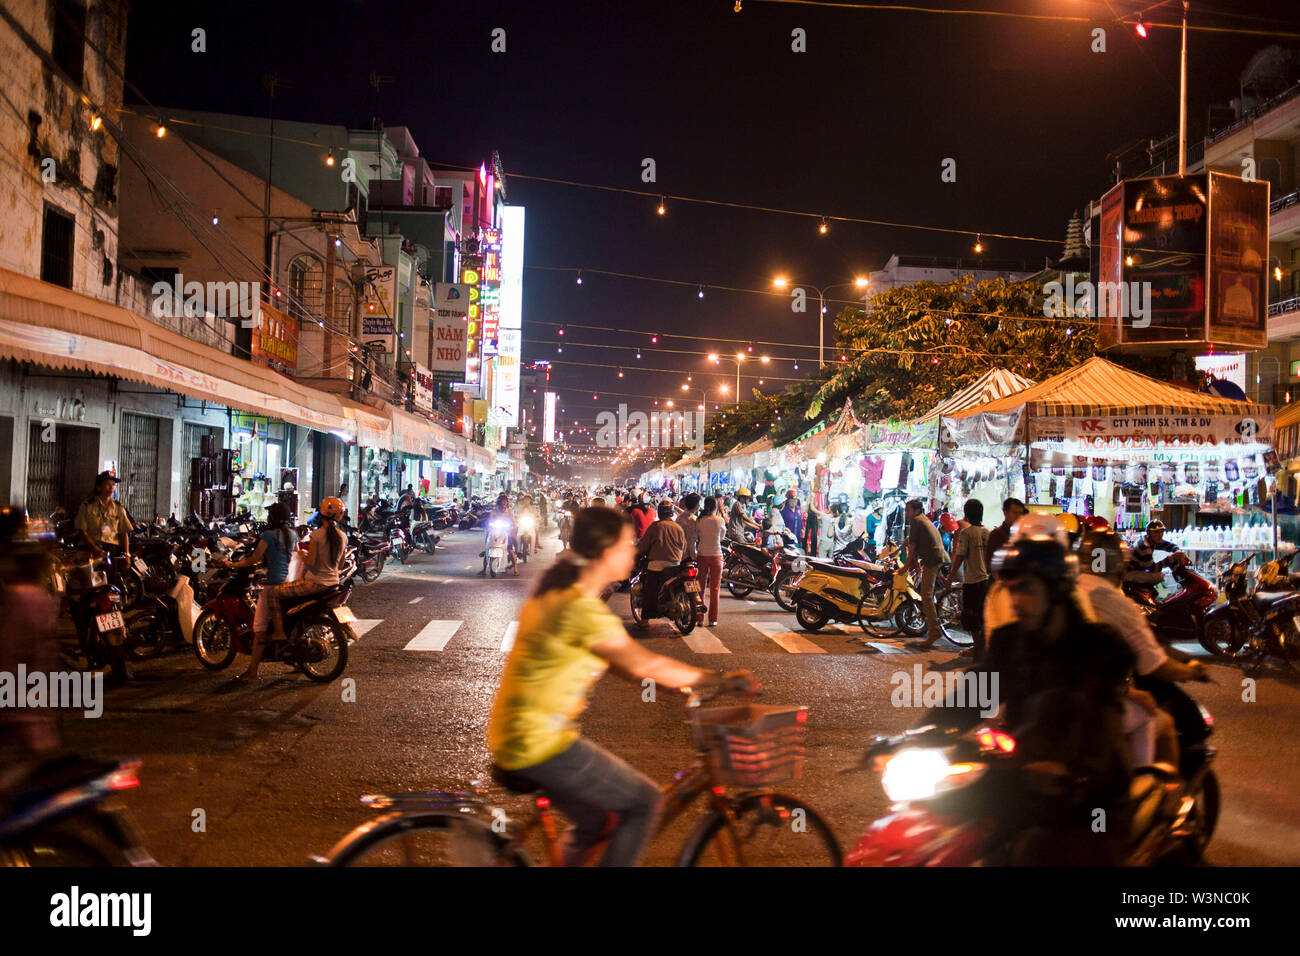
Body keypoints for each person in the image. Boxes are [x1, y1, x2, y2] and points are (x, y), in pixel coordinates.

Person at [487, 506, 756, 866]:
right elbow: (640, 665)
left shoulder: (559, 586)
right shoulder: (580, 608)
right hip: (539, 743)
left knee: (600, 821)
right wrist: (716, 679)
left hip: (519, 734)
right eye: (627, 543)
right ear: (606, 550)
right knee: (645, 803)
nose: (633, 550)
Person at [964, 527, 1136, 865]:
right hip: (1019, 781)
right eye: (1011, 589)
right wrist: (919, 735)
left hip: (1090, 796)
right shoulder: (1009, 641)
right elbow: (971, 696)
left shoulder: (1098, 646)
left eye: (1026, 589)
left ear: (1056, 591)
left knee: (1036, 852)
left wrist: (1075, 769)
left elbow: (1100, 720)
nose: (1015, 601)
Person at [1075, 527, 1209, 767]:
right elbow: (1156, 665)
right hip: (1097, 703)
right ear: (1118, 565)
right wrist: (1194, 672)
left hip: (1064, 699)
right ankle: (1152, 787)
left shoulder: (1066, 592)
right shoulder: (1117, 604)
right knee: (1159, 721)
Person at [226, 502, 298, 681]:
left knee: (259, 626)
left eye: (269, 515)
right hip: (290, 583)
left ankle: (252, 671)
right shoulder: (293, 535)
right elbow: (295, 556)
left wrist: (232, 564)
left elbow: (254, 558)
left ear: (273, 517)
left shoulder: (268, 536)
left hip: (273, 584)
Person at [262, 497, 348, 645]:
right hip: (333, 583)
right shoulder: (343, 537)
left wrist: (302, 554)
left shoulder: (316, 535)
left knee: (273, 593)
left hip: (314, 583)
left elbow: (311, 562)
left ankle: (279, 632)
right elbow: (340, 566)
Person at [947, 498, 991, 662]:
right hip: (985, 580)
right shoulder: (987, 532)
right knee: (982, 616)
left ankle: (977, 650)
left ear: (967, 514)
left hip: (972, 580)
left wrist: (950, 577)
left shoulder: (966, 533)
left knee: (971, 617)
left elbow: (959, 557)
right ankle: (979, 649)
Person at [633, 501, 688, 625]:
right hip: (675, 565)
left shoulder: (655, 526)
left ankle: (645, 620)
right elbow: (684, 548)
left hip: (657, 565)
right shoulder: (678, 527)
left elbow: (642, 547)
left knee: (649, 591)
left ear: (659, 512)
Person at [904, 498, 948, 649]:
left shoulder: (916, 521)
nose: (906, 513)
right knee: (927, 592)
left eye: (908, 510)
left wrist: (905, 566)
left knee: (926, 595)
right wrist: (898, 549)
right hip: (936, 557)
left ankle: (934, 631)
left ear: (916, 510)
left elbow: (913, 545)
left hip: (931, 559)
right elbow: (910, 540)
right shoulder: (922, 519)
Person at [74, 471, 133, 560]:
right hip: (90, 551)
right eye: (107, 484)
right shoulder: (87, 505)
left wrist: (127, 555)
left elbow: (123, 533)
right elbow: (82, 531)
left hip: (111, 551)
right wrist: (96, 549)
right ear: (98, 487)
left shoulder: (118, 507)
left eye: (113, 485)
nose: (111, 488)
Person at [696, 497, 726, 627]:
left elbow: (698, 535)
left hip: (702, 554)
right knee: (715, 589)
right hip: (716, 556)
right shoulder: (720, 520)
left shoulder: (699, 520)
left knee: (700, 588)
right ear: (715, 507)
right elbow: (722, 537)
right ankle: (713, 619)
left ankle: (699, 618)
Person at [480, 493, 518, 576]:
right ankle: (484, 569)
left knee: (510, 547)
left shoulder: (510, 512)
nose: (503, 504)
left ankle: (515, 567)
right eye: (502, 502)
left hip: (506, 532)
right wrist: (489, 525)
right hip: (495, 531)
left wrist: (513, 526)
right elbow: (490, 521)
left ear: (507, 503)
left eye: (505, 502)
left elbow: (514, 522)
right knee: (488, 544)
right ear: (498, 503)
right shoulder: (494, 512)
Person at [984, 497, 1026, 567]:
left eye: (1020, 513)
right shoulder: (996, 535)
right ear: (1005, 513)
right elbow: (990, 563)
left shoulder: (1024, 534)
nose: (1018, 517)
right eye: (1015, 513)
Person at [675, 493, 701, 560]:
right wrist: (695, 557)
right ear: (696, 505)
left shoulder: (679, 518)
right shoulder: (693, 521)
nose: (699, 505)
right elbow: (691, 542)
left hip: (678, 554)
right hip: (687, 556)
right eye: (698, 504)